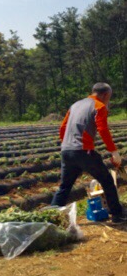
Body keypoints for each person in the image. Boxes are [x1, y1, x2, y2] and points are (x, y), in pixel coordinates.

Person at [52, 82, 124, 222]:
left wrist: (68, 144)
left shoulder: (75, 105)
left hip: (66, 151)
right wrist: (114, 152)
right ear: (105, 95)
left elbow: (63, 128)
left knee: (65, 186)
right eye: (109, 97)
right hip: (83, 152)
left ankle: (51, 218)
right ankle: (117, 215)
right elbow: (103, 129)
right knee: (107, 181)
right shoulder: (99, 106)